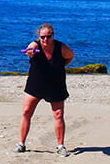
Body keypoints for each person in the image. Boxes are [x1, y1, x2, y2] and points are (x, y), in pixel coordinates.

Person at [15, 23, 75, 156]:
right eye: (42, 37)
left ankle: (60, 146)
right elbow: (31, 48)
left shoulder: (61, 47)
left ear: (53, 36)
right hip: (36, 84)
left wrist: (60, 66)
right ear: (39, 36)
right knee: (26, 112)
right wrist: (30, 51)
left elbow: (71, 56)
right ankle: (21, 143)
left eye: (48, 36)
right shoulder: (35, 45)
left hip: (56, 85)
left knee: (58, 115)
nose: (45, 40)